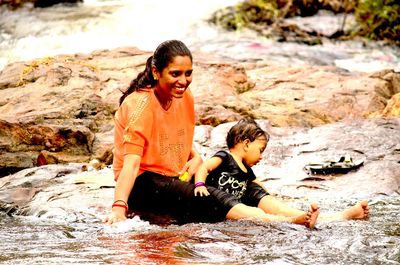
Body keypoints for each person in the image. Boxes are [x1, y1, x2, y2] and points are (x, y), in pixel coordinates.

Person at [103, 40, 318, 228]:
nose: (183, 81)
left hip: (175, 178)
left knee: (233, 182)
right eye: (175, 74)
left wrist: (195, 157)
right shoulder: (139, 104)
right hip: (143, 186)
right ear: (156, 72)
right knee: (211, 196)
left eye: (188, 73)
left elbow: (177, 139)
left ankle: (306, 215)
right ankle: (288, 222)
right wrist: (119, 208)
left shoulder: (184, 97)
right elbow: (131, 163)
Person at [194, 118, 369, 225]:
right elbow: (205, 166)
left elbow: (254, 184)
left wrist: (272, 196)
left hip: (238, 202)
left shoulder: (246, 169)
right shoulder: (224, 156)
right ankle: (295, 221)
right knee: (258, 215)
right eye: (261, 150)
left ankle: (339, 216)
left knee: (277, 207)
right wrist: (200, 184)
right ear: (246, 143)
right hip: (222, 204)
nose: (261, 157)